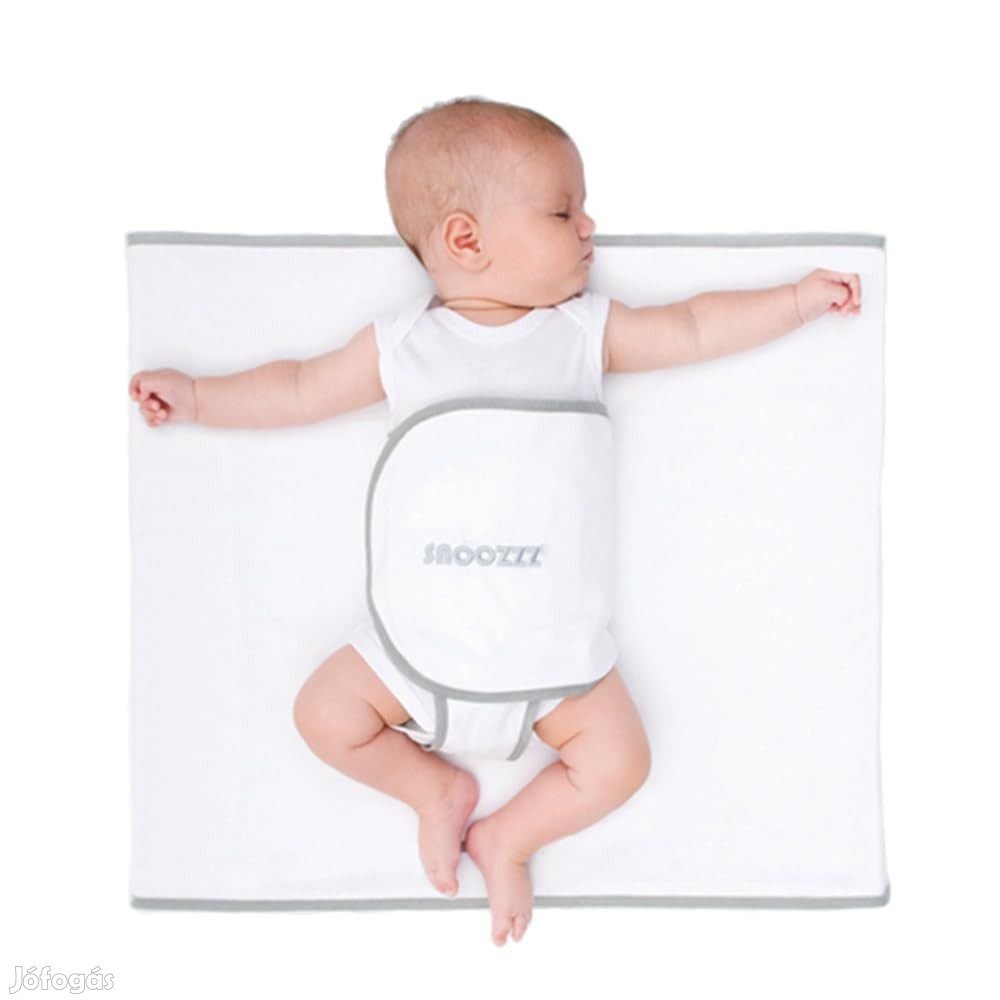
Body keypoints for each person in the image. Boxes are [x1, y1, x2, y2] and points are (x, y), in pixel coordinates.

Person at [127, 96, 862, 946]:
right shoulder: (403, 346)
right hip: (412, 652)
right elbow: (296, 389)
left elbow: (694, 326)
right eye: (563, 211)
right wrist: (199, 398)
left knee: (619, 762)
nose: (590, 226)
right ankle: (432, 788)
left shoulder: (581, 334)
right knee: (323, 715)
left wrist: (795, 300)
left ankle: (508, 837)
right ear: (466, 239)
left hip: (557, 660)